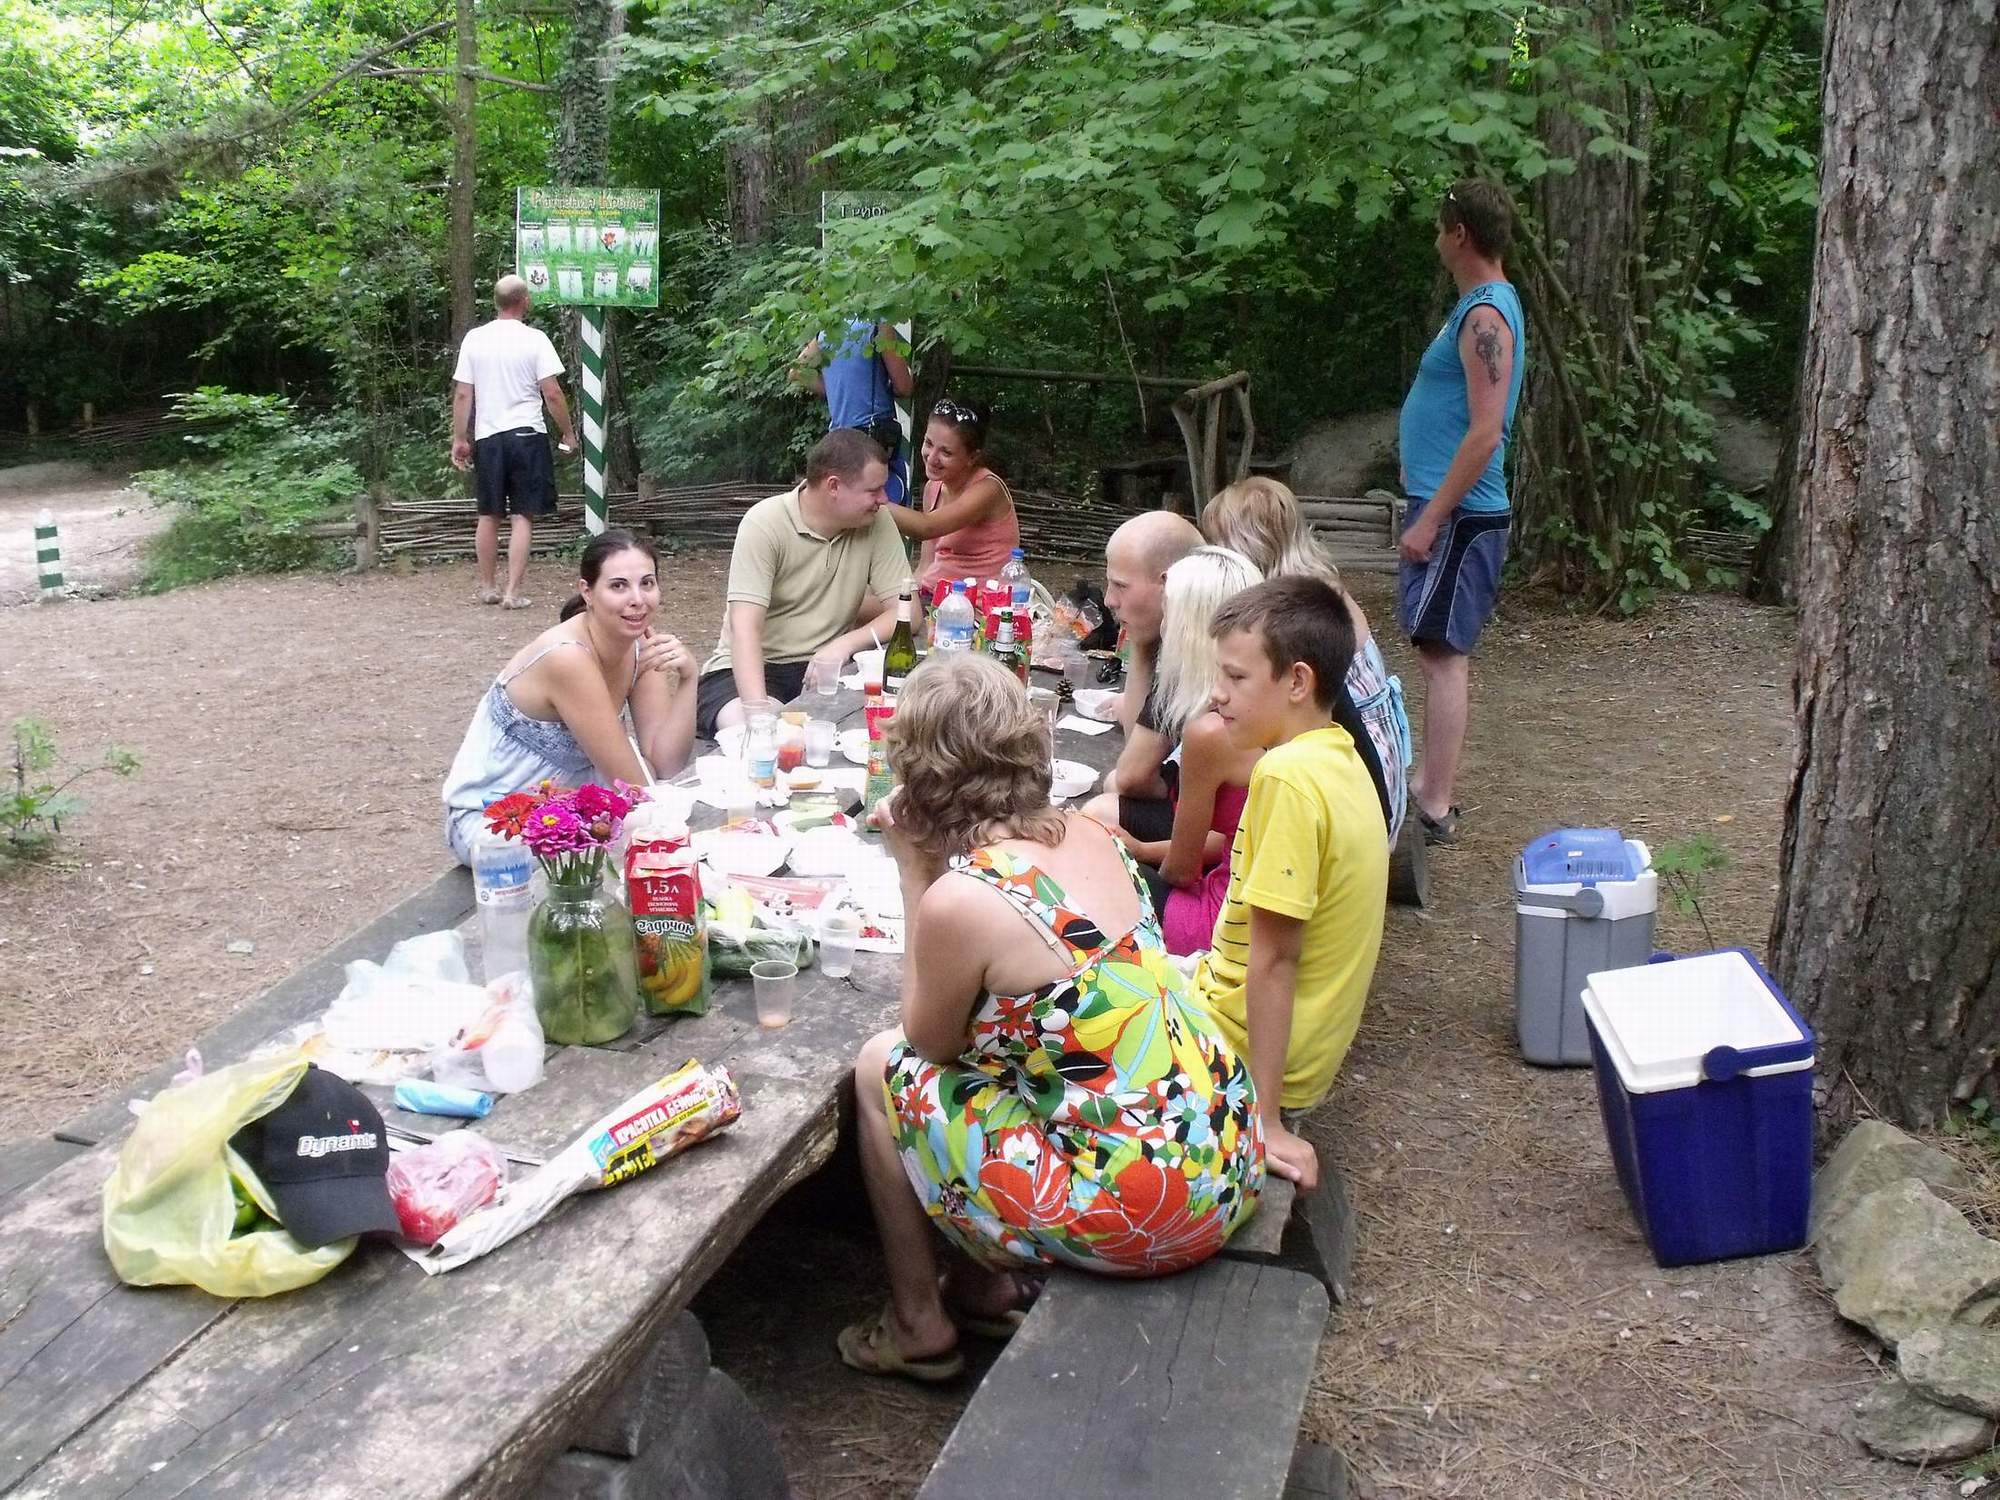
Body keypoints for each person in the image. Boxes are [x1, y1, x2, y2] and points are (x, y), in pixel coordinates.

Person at [841, 654, 1264, 1382]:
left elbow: (929, 1042)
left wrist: (915, 869)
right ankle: (980, 1289)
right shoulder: (1088, 831)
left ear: (917, 775)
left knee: (880, 1068)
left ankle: (917, 1322)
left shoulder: (964, 898)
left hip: (1143, 1209)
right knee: (1012, 1058)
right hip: (1220, 1157)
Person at [1190, 576, 1389, 1189]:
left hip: (1241, 1053)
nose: (1217, 694)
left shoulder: (1286, 778)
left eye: (1236, 677)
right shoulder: (1338, 755)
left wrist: (1267, 1120)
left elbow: (1276, 960)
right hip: (1276, 1039)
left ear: (1297, 681)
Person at [1396, 178, 1525, 845]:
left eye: (1439, 227)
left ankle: (1435, 802)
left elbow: (1485, 432)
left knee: (1444, 653)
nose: (1435, 239)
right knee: (1434, 647)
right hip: (1448, 508)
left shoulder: (1486, 317)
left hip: (1462, 514)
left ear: (1460, 234)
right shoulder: (1476, 308)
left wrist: (1432, 517)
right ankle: (1428, 784)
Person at [441, 529, 696, 863]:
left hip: (572, 811)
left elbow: (665, 765)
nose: (637, 599)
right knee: (653, 840)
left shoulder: (640, 644)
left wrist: (690, 678)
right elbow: (634, 784)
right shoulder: (567, 657)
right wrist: (647, 791)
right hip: (494, 822)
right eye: (618, 586)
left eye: (647, 583)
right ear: (587, 592)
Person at [1204, 476, 1411, 848]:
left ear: (1249, 546)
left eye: (1219, 544)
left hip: (1361, 785)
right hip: (1364, 768)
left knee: (1208, 743)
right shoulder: (1314, 587)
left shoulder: (1292, 617)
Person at [695, 428, 909, 737]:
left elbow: (908, 612)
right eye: (873, 490)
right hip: (749, 669)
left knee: (882, 725)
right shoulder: (764, 523)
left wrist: (844, 644)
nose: (884, 499)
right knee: (764, 732)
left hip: (825, 669)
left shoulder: (878, 521)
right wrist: (758, 717)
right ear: (833, 486)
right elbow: (745, 628)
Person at [1110, 546, 1265, 956]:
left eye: (1168, 612)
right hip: (1261, 913)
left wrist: (1138, 854)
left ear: (1187, 627)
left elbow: (1182, 871)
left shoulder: (1213, 729)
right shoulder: (1271, 706)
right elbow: (1230, 836)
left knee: (1090, 870)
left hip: (1216, 924)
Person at [449, 275, 581, 610]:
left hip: (489, 437)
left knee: (489, 514)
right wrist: (567, 432)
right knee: (523, 514)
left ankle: (488, 587)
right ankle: (512, 592)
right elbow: (552, 392)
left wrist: (460, 438)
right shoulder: (535, 339)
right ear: (524, 301)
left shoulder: (474, 339)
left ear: (496, 302)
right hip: (527, 434)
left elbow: (463, 393)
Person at [1097, 510, 1204, 843]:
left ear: (1168, 583)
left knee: (1102, 810)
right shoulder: (1190, 635)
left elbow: (1132, 775)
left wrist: (1163, 786)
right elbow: (1136, 747)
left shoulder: (1200, 652)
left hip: (1226, 831)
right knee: (1114, 783)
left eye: (1120, 586)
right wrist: (1142, 648)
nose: (1108, 600)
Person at [889, 398, 1020, 593]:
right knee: (862, 599)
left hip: (975, 603)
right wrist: (906, 597)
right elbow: (925, 567)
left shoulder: (988, 489)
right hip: (934, 594)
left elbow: (927, 527)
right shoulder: (933, 488)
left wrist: (872, 501)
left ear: (972, 457)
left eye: (946, 452)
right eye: (928, 443)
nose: (932, 458)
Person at [795, 318, 914, 505]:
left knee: (844, 508)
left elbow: (796, 372)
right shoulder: (878, 324)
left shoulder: (827, 329)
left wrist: (834, 391)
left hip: (838, 441)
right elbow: (904, 387)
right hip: (874, 440)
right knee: (883, 505)